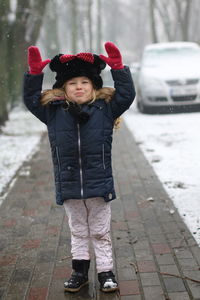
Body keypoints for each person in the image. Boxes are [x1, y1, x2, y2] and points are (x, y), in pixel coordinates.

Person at [23, 42, 135, 293]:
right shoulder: (53, 112)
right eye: (72, 84)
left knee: (99, 231)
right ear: (64, 88)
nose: (79, 87)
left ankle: (106, 272)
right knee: (78, 230)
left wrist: (118, 68)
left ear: (93, 85)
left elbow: (126, 95)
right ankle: (79, 272)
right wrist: (33, 75)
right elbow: (31, 101)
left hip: (99, 183)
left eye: (84, 82)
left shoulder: (105, 109)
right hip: (70, 183)